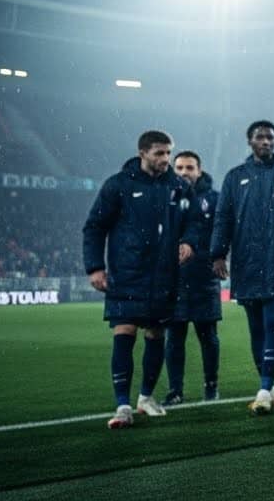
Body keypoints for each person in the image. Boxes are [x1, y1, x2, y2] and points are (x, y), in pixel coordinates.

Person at [82, 130, 198, 428]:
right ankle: (122, 405)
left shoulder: (178, 187)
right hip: (127, 272)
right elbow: (94, 227)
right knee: (125, 330)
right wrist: (95, 267)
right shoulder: (118, 185)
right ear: (143, 152)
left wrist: (189, 241)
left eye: (168, 153)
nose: (166, 159)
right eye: (160, 153)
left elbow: (195, 221)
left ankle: (145, 397)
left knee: (156, 334)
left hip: (163, 275)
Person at [211, 120, 274, 414]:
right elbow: (223, 218)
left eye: (270, 137)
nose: (266, 142)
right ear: (250, 141)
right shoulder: (235, 177)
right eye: (260, 137)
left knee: (272, 323)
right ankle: (268, 384)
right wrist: (217, 254)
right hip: (245, 261)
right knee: (255, 328)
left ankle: (265, 388)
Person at [164, 150, 222, 405]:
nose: (184, 173)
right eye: (179, 168)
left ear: (199, 170)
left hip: (203, 278)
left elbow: (222, 233)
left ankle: (211, 386)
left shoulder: (214, 199)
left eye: (189, 168)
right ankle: (175, 391)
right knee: (174, 337)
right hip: (173, 279)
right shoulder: (165, 197)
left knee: (207, 336)